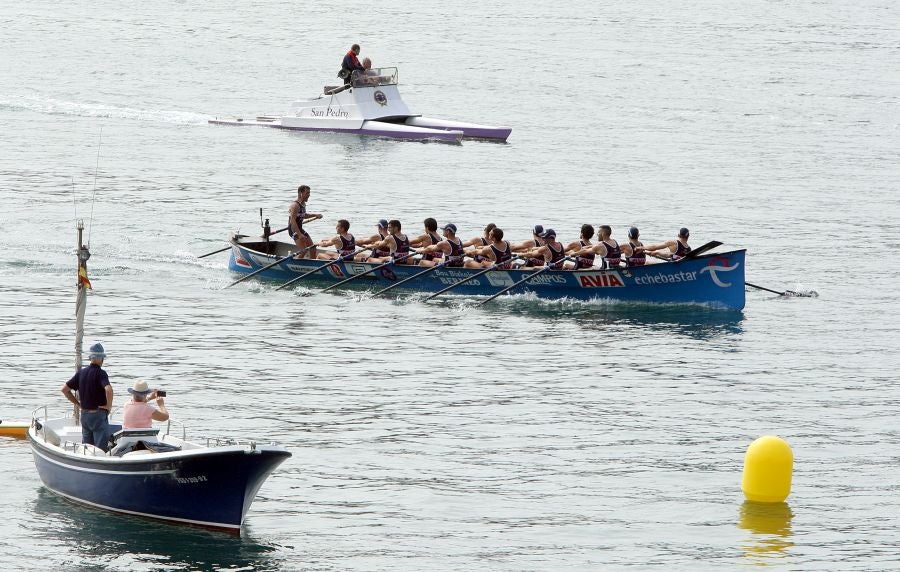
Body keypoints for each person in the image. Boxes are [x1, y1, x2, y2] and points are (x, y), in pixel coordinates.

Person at [61, 342, 113, 451]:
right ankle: (100, 466)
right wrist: (108, 406)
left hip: (84, 415)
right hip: (98, 415)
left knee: (87, 449)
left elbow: (64, 390)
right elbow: (108, 390)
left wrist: (78, 404)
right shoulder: (101, 373)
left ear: (90, 358)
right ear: (101, 359)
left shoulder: (81, 373)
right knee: (100, 450)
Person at [288, 185, 323, 259]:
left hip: (300, 229)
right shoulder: (295, 205)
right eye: (307, 193)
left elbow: (303, 215)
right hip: (293, 230)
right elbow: (292, 221)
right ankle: (297, 265)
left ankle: (313, 264)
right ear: (301, 193)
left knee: (312, 248)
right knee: (303, 251)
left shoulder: (303, 204)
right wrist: (299, 234)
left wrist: (315, 215)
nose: (309, 195)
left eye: (309, 193)